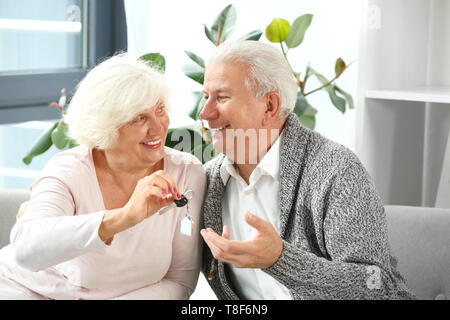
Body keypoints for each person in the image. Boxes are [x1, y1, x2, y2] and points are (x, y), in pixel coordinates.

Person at [199, 40, 416, 300]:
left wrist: (280, 259)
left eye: (221, 97)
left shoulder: (335, 170)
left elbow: (376, 287)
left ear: (270, 105)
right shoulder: (208, 182)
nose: (205, 113)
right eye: (205, 97)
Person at [0, 54, 206, 300]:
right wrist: (125, 217)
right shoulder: (69, 169)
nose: (159, 127)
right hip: (23, 289)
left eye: (160, 109)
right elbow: (26, 250)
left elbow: (180, 280)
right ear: (106, 125)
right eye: (140, 118)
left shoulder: (186, 173)